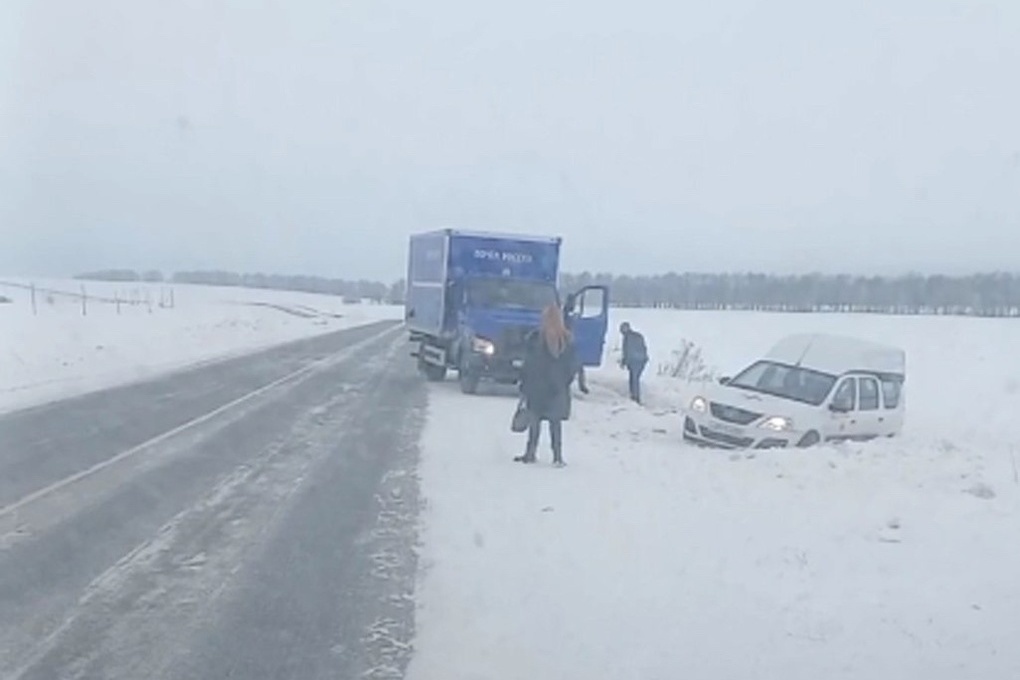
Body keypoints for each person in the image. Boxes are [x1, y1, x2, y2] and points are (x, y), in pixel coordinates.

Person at [514, 304, 577, 467]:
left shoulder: (535, 339)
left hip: (537, 387)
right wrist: (563, 382)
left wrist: (524, 382)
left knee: (535, 421)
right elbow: (572, 366)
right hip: (557, 388)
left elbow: (529, 364)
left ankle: (530, 453)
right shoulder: (567, 341)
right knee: (555, 423)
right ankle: (557, 456)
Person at [561, 294, 589, 394]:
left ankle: (580, 385)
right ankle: (578, 385)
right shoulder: (565, 313)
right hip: (565, 342)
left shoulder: (567, 312)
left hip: (568, 342)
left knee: (577, 365)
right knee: (574, 365)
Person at [619, 322, 648, 404]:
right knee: (635, 378)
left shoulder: (627, 338)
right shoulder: (638, 335)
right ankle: (634, 395)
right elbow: (644, 348)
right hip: (642, 360)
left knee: (634, 379)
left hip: (635, 360)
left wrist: (624, 361)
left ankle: (635, 397)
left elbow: (627, 351)